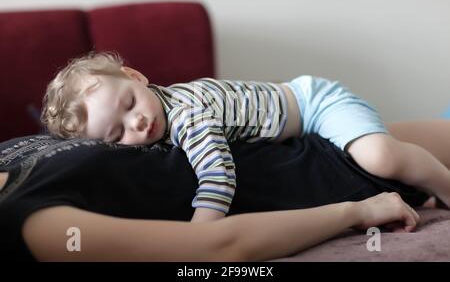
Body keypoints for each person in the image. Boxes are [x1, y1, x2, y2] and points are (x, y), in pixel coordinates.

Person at [40, 52, 450, 224]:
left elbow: (218, 174)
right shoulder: (155, 118)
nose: (138, 124)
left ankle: (441, 183)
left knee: (380, 158)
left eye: (130, 102)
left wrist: (201, 231)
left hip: (314, 103)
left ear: (136, 77)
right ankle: (426, 192)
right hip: (289, 115)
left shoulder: (186, 115)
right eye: (117, 132)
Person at [0, 119, 449, 261]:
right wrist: (355, 212)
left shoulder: (7, 151)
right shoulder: (33, 223)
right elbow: (216, 245)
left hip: (291, 138)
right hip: (318, 177)